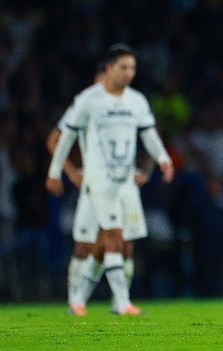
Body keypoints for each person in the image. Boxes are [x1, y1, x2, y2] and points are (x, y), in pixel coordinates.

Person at [46, 43, 174, 316]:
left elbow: (149, 135)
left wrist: (161, 160)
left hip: (125, 181)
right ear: (107, 70)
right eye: (123, 67)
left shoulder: (137, 101)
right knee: (101, 240)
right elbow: (61, 137)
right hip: (97, 180)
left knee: (121, 243)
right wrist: (60, 172)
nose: (129, 73)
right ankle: (122, 302)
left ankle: (79, 300)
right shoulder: (88, 100)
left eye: (132, 68)